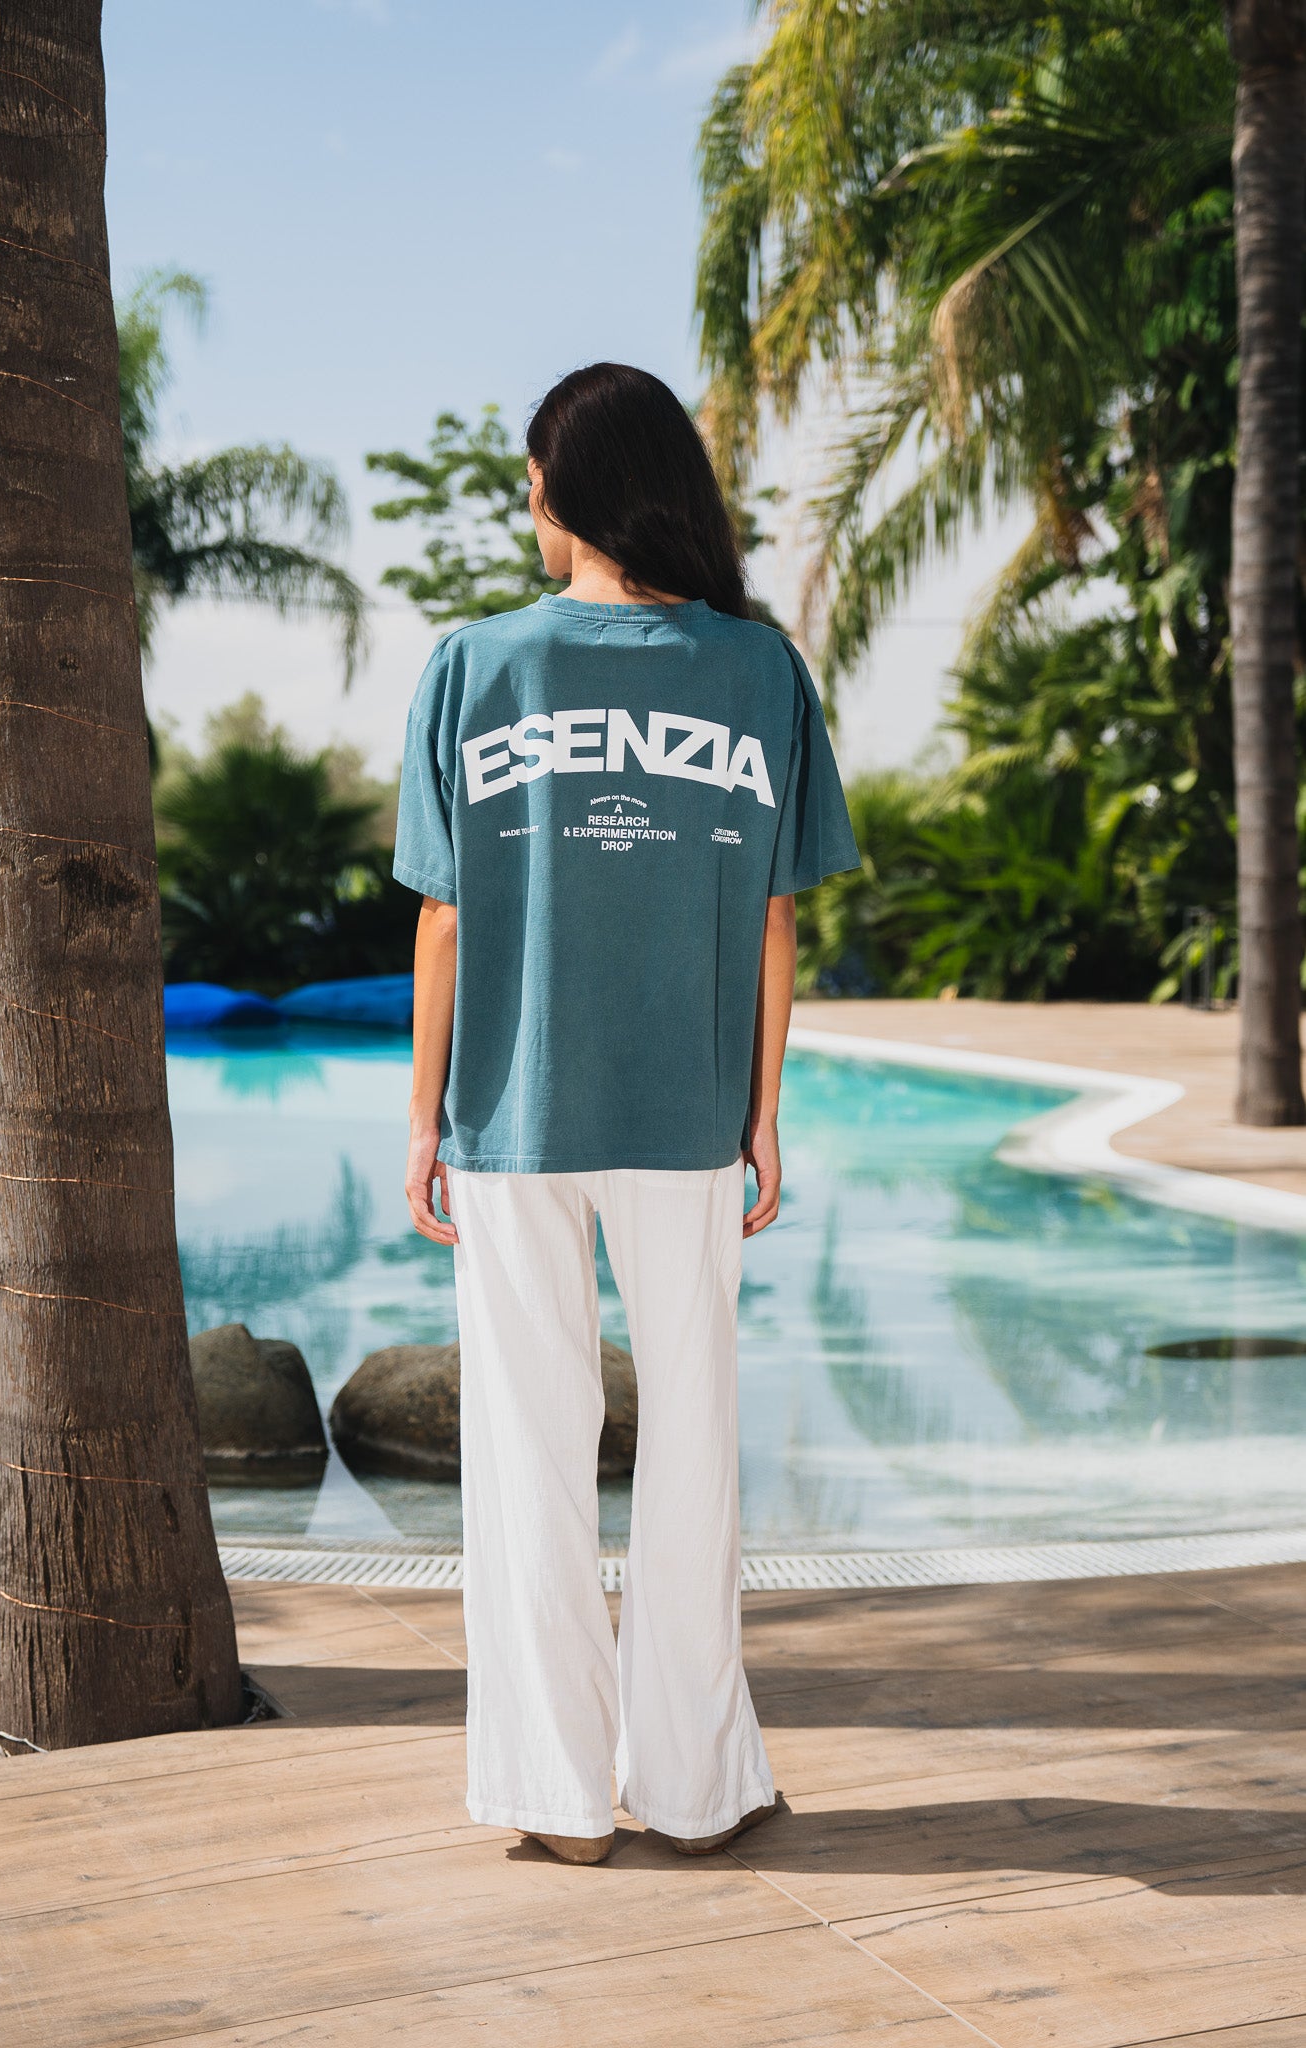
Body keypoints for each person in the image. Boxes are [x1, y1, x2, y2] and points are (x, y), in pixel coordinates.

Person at [394, 362, 859, 1866]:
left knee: (526, 1454)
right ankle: (696, 1786)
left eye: (531, 482)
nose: (525, 507)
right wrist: (763, 1109)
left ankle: (557, 1803)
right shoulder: (758, 671)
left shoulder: (473, 666)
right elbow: (774, 914)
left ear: (568, 489)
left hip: (513, 1111)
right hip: (687, 1114)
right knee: (692, 1442)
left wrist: (424, 1118)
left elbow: (445, 917)